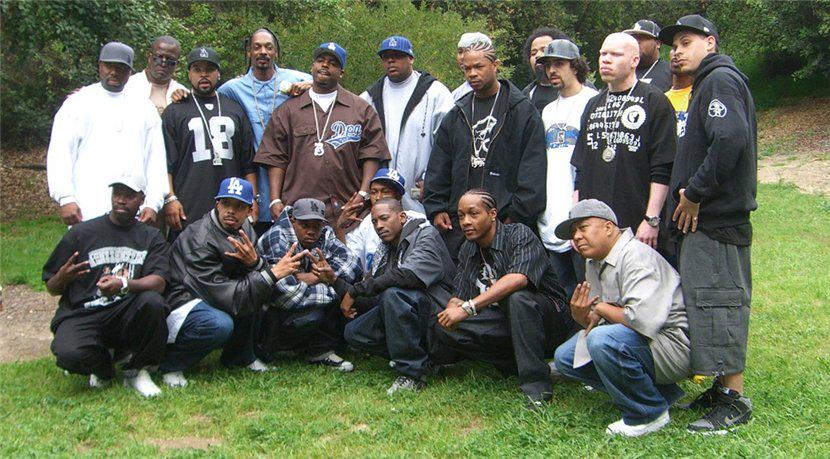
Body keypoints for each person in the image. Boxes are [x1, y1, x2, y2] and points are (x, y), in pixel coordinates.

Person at [660, 14, 757, 433]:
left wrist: (694, 193)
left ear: (711, 43)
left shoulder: (719, 80)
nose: (676, 52)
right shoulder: (707, 83)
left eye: (686, 42)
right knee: (706, 301)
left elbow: (730, 139)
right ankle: (720, 388)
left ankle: (735, 399)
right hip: (704, 222)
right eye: (673, 46)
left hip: (717, 220)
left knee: (722, 301)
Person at [552, 199, 690, 437]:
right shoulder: (594, 261)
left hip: (671, 345)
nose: (576, 237)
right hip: (638, 339)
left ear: (608, 227)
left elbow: (641, 321)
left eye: (583, 228)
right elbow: (598, 320)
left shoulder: (636, 256)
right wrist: (581, 315)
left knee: (600, 340)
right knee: (566, 357)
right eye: (573, 232)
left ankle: (648, 413)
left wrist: (599, 308)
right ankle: (658, 395)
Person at [432, 189, 573, 409]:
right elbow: (459, 294)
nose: (466, 222)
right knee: (446, 328)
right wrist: (451, 314)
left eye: (473, 214)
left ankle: (536, 387)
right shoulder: (468, 248)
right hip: (505, 319)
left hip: (549, 321)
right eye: (460, 216)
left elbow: (518, 279)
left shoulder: (519, 234)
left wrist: (467, 308)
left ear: (492, 214)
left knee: (517, 298)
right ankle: (512, 364)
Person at [161, 177, 306, 386]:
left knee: (259, 290)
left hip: (216, 293)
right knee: (220, 323)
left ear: (249, 210)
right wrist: (270, 274)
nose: (231, 211)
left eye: (239, 206)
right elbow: (225, 296)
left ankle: (240, 356)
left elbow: (252, 277)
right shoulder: (200, 238)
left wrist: (256, 263)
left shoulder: (245, 228)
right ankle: (171, 365)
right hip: (183, 299)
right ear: (217, 204)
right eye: (226, 203)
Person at [43, 175, 170, 397]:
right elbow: (52, 287)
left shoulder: (151, 237)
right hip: (83, 312)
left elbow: (159, 282)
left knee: (153, 303)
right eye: (117, 194)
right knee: (68, 355)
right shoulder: (81, 233)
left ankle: (137, 370)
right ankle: (103, 367)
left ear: (142, 199)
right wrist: (62, 277)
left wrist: (123, 284)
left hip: (125, 310)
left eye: (129, 196)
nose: (121, 200)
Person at [424, 41, 547, 259]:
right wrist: (437, 208)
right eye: (467, 68)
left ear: (495, 65)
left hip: (506, 223)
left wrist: (514, 218)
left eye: (478, 67)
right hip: (461, 228)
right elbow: (439, 165)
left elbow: (533, 170)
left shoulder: (521, 111)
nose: (472, 73)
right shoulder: (457, 114)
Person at [255, 42, 390, 230]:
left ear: (341, 73)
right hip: (299, 213)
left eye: (333, 63)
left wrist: (363, 193)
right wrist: (275, 199)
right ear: (312, 66)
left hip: (348, 211)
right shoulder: (288, 111)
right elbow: (275, 158)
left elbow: (372, 154)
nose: (325, 65)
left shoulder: (360, 109)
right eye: (320, 60)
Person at [571, 32, 676, 259]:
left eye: (615, 54)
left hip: (637, 223)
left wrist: (651, 219)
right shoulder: (593, 104)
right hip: (596, 228)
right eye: (603, 54)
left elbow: (663, 168)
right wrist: (575, 221)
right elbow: (580, 169)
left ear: (634, 60)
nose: (606, 59)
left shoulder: (655, 101)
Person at [342, 198, 455, 394]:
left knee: (393, 294)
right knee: (356, 332)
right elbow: (374, 293)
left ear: (402, 217)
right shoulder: (386, 249)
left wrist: (356, 290)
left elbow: (408, 275)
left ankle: (412, 374)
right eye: (375, 222)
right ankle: (425, 360)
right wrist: (335, 282)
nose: (379, 226)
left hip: (440, 315)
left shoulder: (425, 234)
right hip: (411, 311)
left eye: (384, 218)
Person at [47, 41, 167, 225]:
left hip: (132, 209)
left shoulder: (144, 107)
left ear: (130, 71)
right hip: (87, 206)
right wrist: (65, 197)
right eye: (109, 66)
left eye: (121, 68)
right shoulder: (78, 103)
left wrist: (153, 202)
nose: (114, 72)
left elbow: (155, 159)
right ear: (100, 66)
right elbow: (60, 154)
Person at [215, 28, 313, 234]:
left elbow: (328, 84)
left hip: (291, 169)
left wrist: (309, 85)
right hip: (254, 170)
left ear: (276, 52)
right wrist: (180, 93)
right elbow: (207, 95)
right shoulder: (234, 88)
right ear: (249, 52)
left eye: (269, 47)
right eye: (257, 47)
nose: (263, 52)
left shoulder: (295, 78)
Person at [161, 46, 256, 240]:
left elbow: (248, 163)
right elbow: (165, 162)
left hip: (231, 206)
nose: (203, 74)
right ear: (189, 73)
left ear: (218, 73)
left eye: (209, 69)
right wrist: (170, 198)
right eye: (197, 69)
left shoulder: (235, 109)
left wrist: (253, 200)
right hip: (188, 204)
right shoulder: (175, 111)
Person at [255, 198, 361, 371]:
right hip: (271, 315)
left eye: (316, 225)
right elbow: (286, 293)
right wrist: (333, 285)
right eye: (305, 225)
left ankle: (320, 351)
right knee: (325, 306)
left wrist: (316, 277)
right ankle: (274, 349)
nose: (311, 231)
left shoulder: (324, 233)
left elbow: (354, 265)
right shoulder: (276, 236)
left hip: (303, 300)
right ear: (293, 220)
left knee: (344, 292)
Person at [361, 35, 453, 213]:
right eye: (386, 57)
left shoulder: (435, 93)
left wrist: (434, 180)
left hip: (420, 189)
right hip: (383, 189)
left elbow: (448, 143)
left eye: (397, 55)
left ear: (411, 58)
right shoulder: (370, 96)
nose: (391, 61)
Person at [535, 39, 598, 299]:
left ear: (575, 66)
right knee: (562, 295)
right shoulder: (548, 111)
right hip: (552, 212)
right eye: (548, 65)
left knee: (590, 292)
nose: (551, 70)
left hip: (582, 210)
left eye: (558, 64)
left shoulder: (593, 101)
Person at [338, 168, 426, 273]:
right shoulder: (364, 223)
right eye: (374, 192)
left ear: (398, 196)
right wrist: (341, 227)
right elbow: (350, 265)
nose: (378, 197)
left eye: (385, 192)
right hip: (373, 282)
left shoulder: (417, 220)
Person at [124, 36, 186, 115]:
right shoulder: (128, 85)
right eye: (158, 57)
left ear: (177, 64)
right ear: (149, 56)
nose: (163, 64)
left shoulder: (182, 94)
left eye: (170, 59)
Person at [521, 26, 569, 113]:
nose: (537, 55)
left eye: (544, 50)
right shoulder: (526, 95)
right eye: (533, 53)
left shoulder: (578, 89)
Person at [624, 20, 673, 92]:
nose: (636, 42)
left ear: (658, 43)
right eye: (633, 38)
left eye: (642, 38)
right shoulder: (622, 72)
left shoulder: (672, 72)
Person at [450, 32, 492, 101]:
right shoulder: (456, 95)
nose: (462, 57)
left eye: (468, 52)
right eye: (460, 52)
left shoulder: (504, 94)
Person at [665, 48, 693, 138]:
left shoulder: (702, 95)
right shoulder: (660, 99)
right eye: (674, 48)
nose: (676, 53)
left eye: (685, 45)